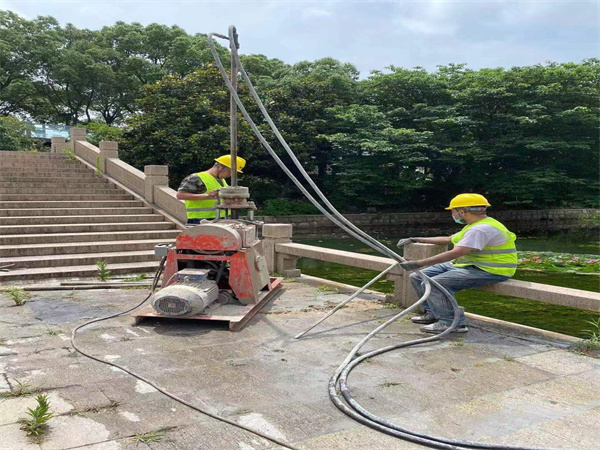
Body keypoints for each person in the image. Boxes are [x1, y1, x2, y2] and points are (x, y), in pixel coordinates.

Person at [397, 193, 517, 334]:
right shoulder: (474, 225)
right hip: (469, 265)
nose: (452, 214)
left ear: (461, 211)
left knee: (436, 283)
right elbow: (449, 239)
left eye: (453, 211)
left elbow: (457, 252)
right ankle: (433, 313)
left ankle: (452, 323)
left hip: (490, 270)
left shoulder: (480, 229)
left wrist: (419, 262)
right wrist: (415, 239)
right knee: (417, 277)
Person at [176, 155, 246, 225]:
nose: (230, 175)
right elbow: (180, 195)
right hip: (199, 221)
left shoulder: (222, 181)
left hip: (220, 219)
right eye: (229, 171)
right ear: (219, 167)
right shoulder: (196, 178)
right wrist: (207, 196)